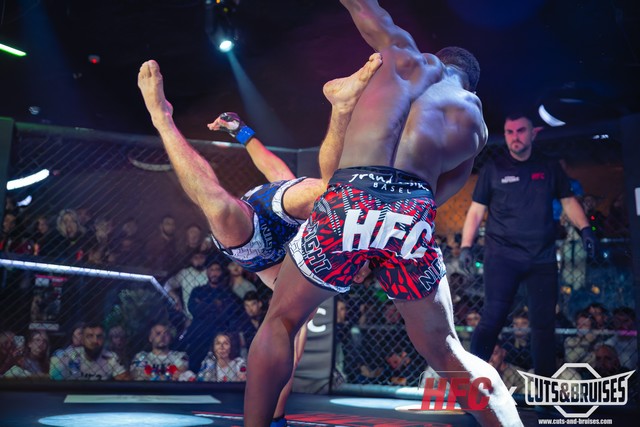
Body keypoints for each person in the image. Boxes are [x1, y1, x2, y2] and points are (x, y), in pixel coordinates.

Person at [245, 1, 522, 426]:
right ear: (470, 83)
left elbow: (365, 7)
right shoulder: (476, 124)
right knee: (446, 349)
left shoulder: (405, 56)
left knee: (281, 321)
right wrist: (389, 226)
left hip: (350, 196)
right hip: (411, 211)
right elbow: (436, 195)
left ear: (436, 59)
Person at [138, 53, 381, 426]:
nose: (359, 270)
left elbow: (290, 355)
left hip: (259, 248)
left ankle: (162, 118)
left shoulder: (315, 284)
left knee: (219, 207)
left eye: (360, 272)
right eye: (363, 265)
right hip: (277, 210)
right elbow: (272, 167)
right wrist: (241, 131)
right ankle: (342, 107)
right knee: (327, 192)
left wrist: (277, 417)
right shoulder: (339, 231)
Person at [459, 113, 595, 379]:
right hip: (502, 256)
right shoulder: (493, 168)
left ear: (533, 133)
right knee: (493, 318)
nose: (515, 137)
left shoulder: (549, 166)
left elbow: (568, 201)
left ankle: (544, 389)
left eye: (521, 131)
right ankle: (471, 381)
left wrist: (586, 229)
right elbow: (476, 211)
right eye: (509, 132)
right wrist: (466, 246)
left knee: (543, 326)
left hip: (541, 258)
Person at [50, 321, 130, 380]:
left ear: (104, 340)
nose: (95, 341)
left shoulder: (110, 357)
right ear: (83, 340)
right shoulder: (66, 355)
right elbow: (54, 381)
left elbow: (124, 380)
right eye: (90, 336)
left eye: (99, 336)